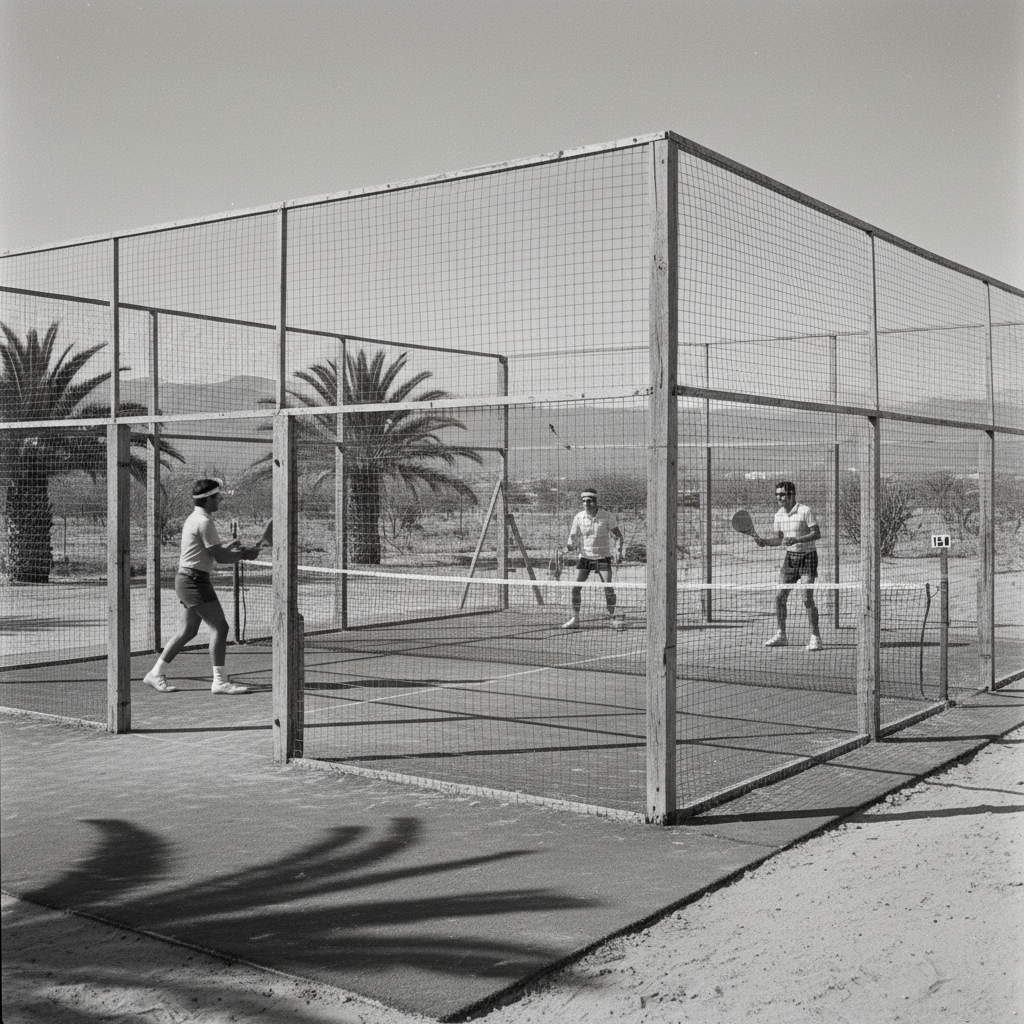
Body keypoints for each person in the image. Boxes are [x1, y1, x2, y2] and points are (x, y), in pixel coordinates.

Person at [143, 479, 263, 694]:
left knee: (188, 631)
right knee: (220, 627)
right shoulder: (204, 522)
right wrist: (245, 554)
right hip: (194, 581)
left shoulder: (196, 518)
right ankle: (220, 681)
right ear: (208, 499)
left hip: (188, 579)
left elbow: (211, 551)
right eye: (218, 497)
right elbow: (220, 558)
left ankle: (155, 673)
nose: (221, 499)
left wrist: (230, 548)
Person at [754, 480, 823, 651]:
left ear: (792, 494)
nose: (779, 497)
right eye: (777, 494)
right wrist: (764, 542)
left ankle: (816, 637)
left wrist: (797, 539)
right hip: (790, 559)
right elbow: (779, 540)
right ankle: (781, 635)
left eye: (783, 494)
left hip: (808, 557)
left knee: (807, 599)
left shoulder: (805, 511)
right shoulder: (778, 515)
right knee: (779, 597)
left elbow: (817, 533)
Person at [562, 488, 625, 629]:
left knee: (608, 588)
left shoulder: (607, 516)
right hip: (585, 558)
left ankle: (613, 618)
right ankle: (576, 619)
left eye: (589, 501)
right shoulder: (579, 517)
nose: (586, 504)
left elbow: (618, 536)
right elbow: (572, 537)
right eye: (583, 501)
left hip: (603, 558)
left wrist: (618, 550)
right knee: (575, 589)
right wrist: (568, 548)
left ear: (595, 502)